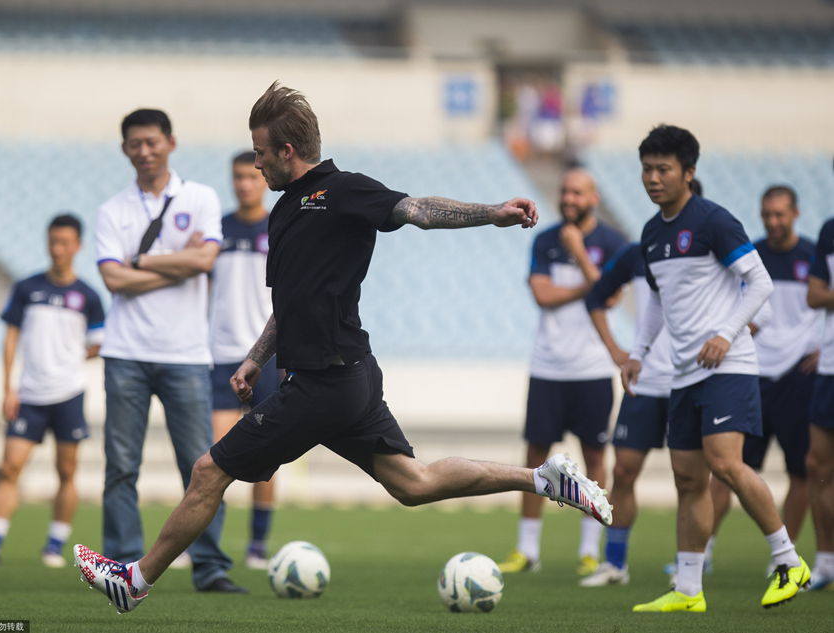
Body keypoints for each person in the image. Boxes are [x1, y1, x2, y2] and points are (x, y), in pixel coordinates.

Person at [73, 82, 612, 614]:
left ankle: (135, 579)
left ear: (287, 151)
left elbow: (420, 209)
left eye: (261, 153)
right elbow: (290, 302)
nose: (256, 164)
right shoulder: (283, 211)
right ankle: (542, 478)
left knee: (209, 470)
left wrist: (492, 212)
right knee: (413, 482)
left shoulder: (345, 189)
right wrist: (257, 358)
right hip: (341, 378)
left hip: (326, 382)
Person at [625, 125, 809, 613]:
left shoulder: (712, 221)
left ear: (688, 173)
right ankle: (688, 589)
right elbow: (657, 303)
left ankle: (789, 560)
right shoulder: (651, 232)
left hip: (729, 367)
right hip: (683, 372)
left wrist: (725, 334)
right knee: (688, 478)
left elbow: (761, 283)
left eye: (663, 169)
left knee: (726, 464)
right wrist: (639, 352)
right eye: (647, 168)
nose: (653, 178)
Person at [94, 108, 243, 593]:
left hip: (185, 353)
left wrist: (140, 260)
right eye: (135, 143)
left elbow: (206, 259)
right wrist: (174, 264)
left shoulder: (199, 197)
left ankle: (209, 566)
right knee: (121, 465)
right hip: (125, 352)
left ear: (171, 143)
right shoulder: (112, 209)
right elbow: (112, 279)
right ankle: (118, 565)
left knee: (202, 465)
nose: (144, 151)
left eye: (152, 142)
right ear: (124, 150)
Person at [499, 168, 626, 576]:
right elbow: (542, 294)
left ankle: (589, 550)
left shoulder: (611, 242)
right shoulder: (545, 239)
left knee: (595, 457)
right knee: (536, 457)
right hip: (547, 367)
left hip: (592, 369)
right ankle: (527, 550)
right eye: (564, 190)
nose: (568, 198)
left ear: (593, 196)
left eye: (577, 192)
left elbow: (612, 297)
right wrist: (591, 284)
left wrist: (582, 256)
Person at [0, 214, 104, 567]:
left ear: (77, 246)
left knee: (66, 472)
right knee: (9, 468)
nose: (58, 249)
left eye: (65, 242)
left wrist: (71, 352)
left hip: (68, 394)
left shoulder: (88, 295)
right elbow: (11, 335)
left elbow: (97, 344)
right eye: (53, 242)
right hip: (29, 394)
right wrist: (7, 387)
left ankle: (53, 546)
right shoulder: (27, 288)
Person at [709, 186, 820, 570]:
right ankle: (702, 550)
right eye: (767, 214)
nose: (773, 222)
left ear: (795, 213)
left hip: (797, 376)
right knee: (726, 467)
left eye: (780, 214)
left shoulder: (813, 256)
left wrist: (821, 348)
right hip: (751, 372)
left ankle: (783, 557)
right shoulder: (747, 256)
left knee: (801, 469)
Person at [578, 240, 673, 587]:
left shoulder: (712, 246)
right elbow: (596, 297)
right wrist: (616, 349)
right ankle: (615, 564)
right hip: (644, 381)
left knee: (693, 477)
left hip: (691, 380)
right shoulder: (641, 251)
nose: (656, 181)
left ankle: (691, 564)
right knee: (622, 470)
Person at [210, 150, 279, 569]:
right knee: (214, 453)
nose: (244, 184)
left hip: (266, 357)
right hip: (219, 355)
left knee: (266, 457)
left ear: (262, 179)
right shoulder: (216, 230)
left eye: (250, 177)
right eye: (237, 176)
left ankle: (256, 545)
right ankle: (206, 543)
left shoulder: (280, 225)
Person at [807, 215, 834, 590]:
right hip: (830, 366)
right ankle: (826, 560)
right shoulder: (829, 230)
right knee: (817, 465)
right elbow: (813, 295)